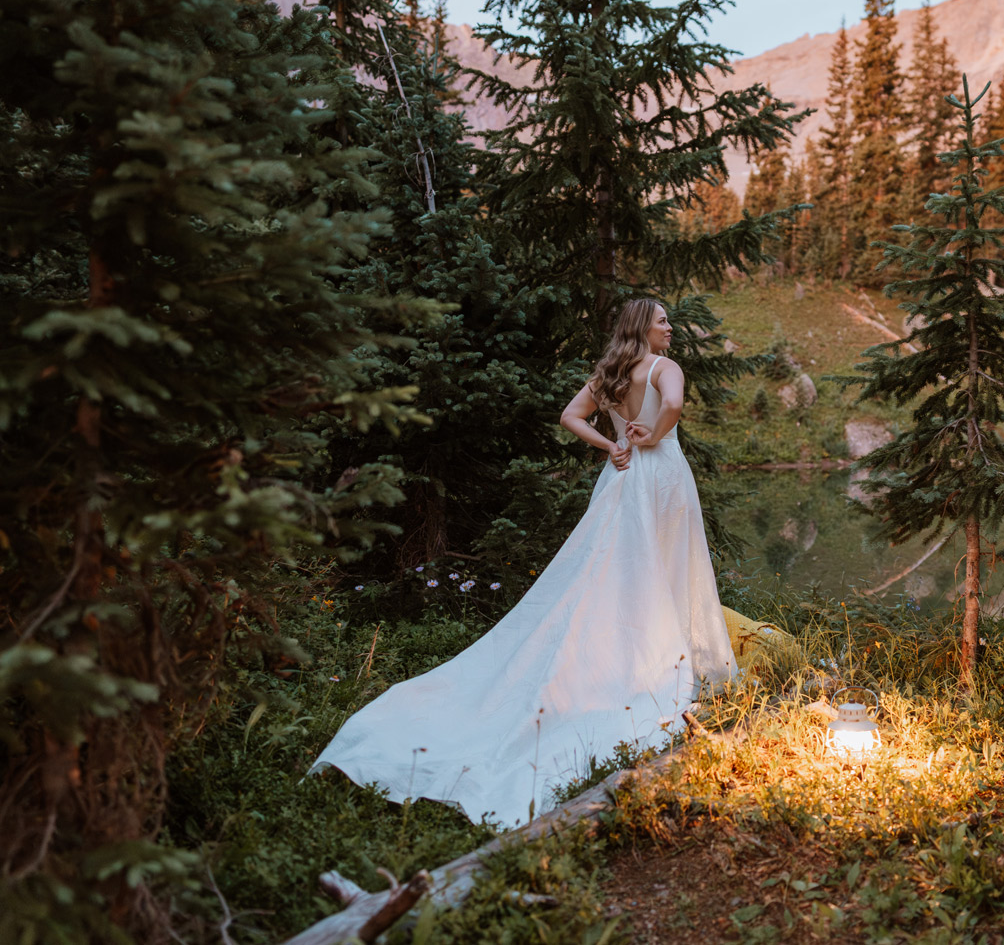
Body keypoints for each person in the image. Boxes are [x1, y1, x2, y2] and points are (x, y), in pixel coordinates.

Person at [310, 299, 736, 825]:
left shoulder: (610, 373)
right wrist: (653, 431)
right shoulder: (662, 366)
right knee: (668, 566)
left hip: (623, 479)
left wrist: (611, 444)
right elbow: (672, 403)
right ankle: (660, 662)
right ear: (642, 328)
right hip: (662, 475)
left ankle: (626, 652)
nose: (669, 327)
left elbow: (569, 417)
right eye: (662, 320)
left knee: (613, 570)